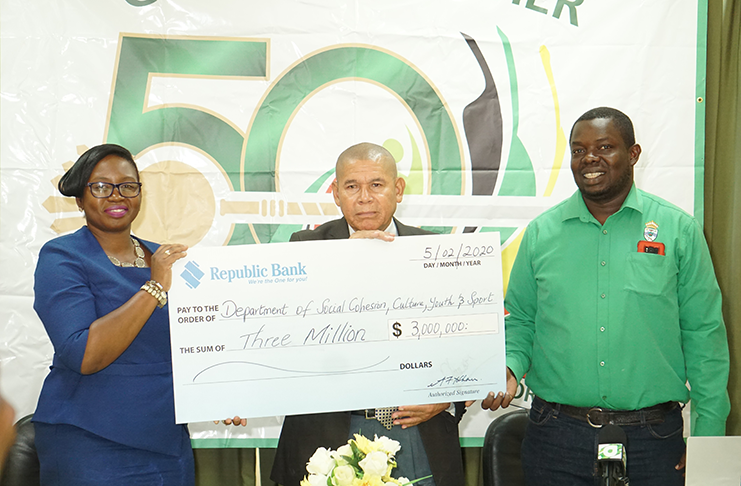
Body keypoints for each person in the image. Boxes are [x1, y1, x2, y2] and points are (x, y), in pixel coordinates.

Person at [483, 107, 730, 485]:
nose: (590, 159)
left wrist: (707, 441)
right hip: (556, 440)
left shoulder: (678, 231)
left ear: (633, 154)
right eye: (578, 150)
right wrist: (511, 366)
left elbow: (704, 335)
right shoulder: (541, 234)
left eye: (604, 147)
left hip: (654, 440)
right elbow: (521, 319)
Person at [269, 142, 466, 486]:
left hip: (415, 431)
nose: (364, 197)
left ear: (398, 189)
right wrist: (349, 259)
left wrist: (449, 397)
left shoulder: (437, 253)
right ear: (335, 193)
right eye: (351, 186)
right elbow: (286, 338)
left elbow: (469, 343)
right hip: (328, 434)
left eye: (376, 185)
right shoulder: (304, 248)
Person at [32, 144, 193, 485]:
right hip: (90, 440)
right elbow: (84, 354)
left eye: (128, 185)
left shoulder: (163, 258)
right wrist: (153, 288)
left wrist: (222, 392)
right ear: (80, 199)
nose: (116, 196)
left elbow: (194, 345)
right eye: (101, 187)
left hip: (167, 439)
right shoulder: (62, 257)